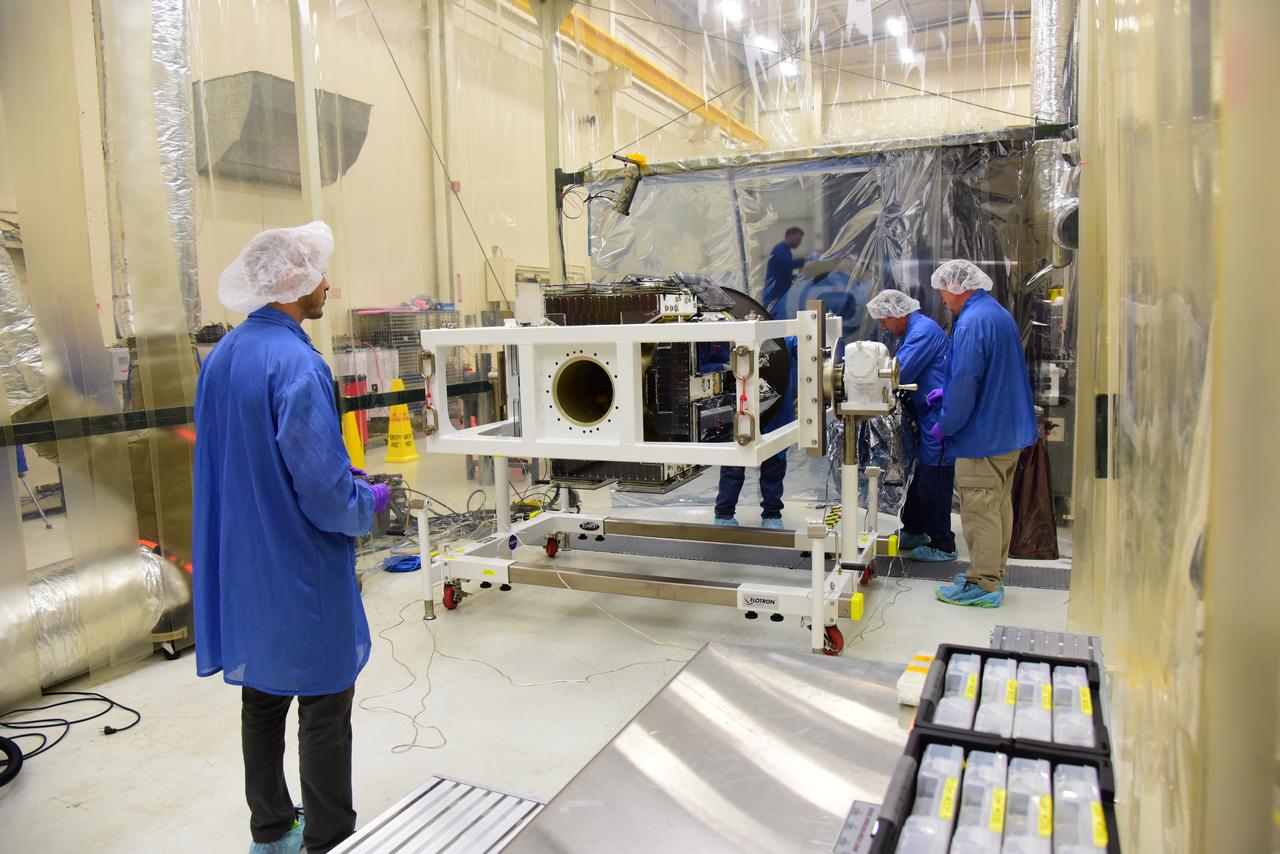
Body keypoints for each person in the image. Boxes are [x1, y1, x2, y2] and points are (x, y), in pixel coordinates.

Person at [192, 221, 390, 854]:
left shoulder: (224, 356)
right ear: (290, 283)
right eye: (316, 272)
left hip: (245, 562)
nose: (327, 285)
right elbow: (325, 495)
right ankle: (329, 839)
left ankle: (272, 826)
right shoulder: (299, 364)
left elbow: (250, 459)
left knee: (263, 693)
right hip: (301, 567)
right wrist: (368, 502)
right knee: (325, 704)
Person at [926, 260, 1038, 608]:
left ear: (959, 287)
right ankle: (993, 571)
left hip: (983, 436)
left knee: (979, 510)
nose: (942, 296)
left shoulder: (971, 323)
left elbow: (964, 382)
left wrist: (946, 423)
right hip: (1007, 431)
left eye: (943, 289)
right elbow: (990, 372)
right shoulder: (995, 313)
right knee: (998, 504)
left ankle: (983, 583)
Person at [864, 289, 956, 562]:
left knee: (935, 479)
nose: (883, 325)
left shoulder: (922, 333)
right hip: (926, 414)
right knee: (923, 477)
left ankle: (944, 544)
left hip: (937, 417)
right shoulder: (915, 330)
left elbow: (897, 373)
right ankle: (914, 529)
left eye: (884, 319)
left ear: (899, 313)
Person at [715, 336, 798, 530]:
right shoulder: (732, 338)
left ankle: (772, 513)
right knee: (734, 464)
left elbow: (808, 349)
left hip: (776, 411)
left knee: (774, 465)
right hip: (741, 411)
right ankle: (724, 514)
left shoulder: (785, 340)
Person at [761, 226, 806, 316]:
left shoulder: (786, 250)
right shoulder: (780, 249)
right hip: (775, 292)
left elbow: (785, 271)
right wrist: (804, 260)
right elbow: (788, 264)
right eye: (798, 239)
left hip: (779, 292)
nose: (799, 242)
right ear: (789, 235)